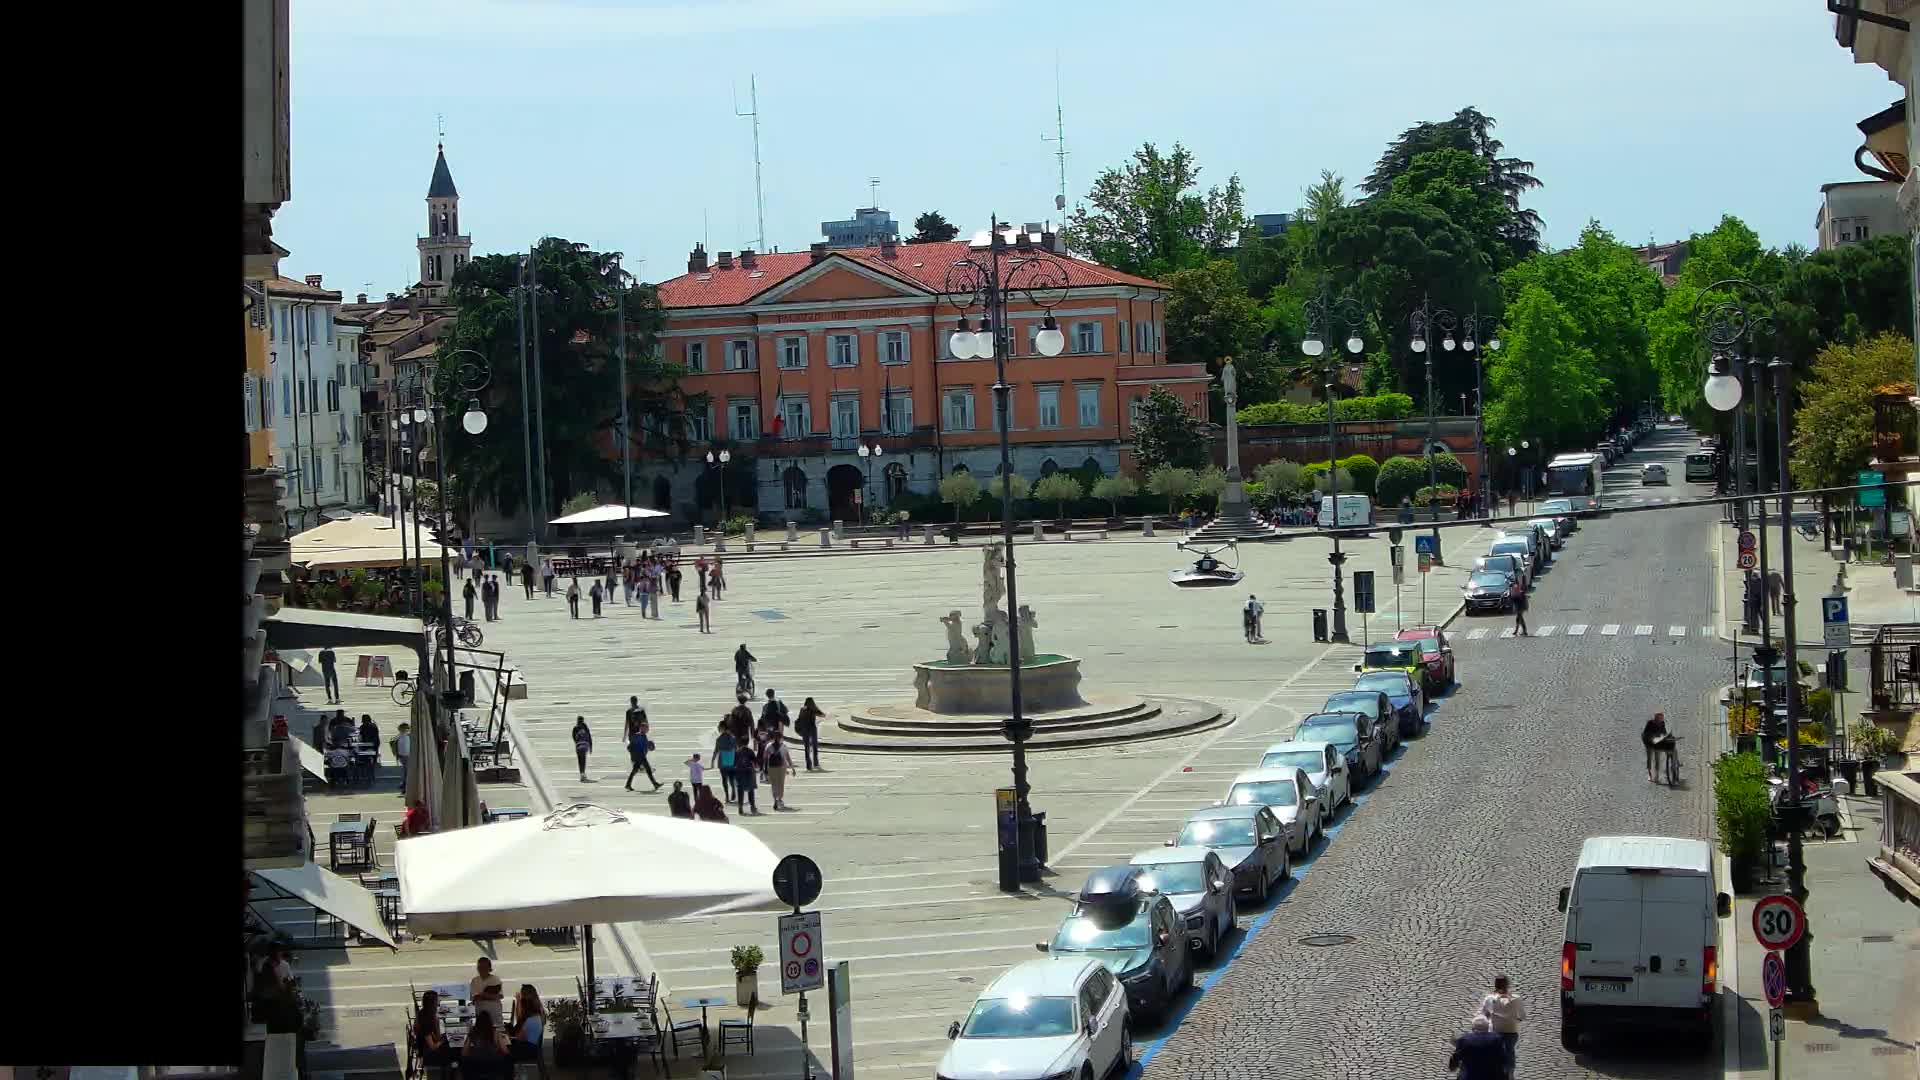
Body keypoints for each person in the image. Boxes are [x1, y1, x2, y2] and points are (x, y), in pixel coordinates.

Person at [1479, 975, 1526, 1073]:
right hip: (1511, 1031)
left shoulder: (1489, 999)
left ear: (1495, 985)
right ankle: (1510, 1073)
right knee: (1509, 1051)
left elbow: (1483, 1015)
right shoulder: (1517, 999)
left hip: (1495, 1032)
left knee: (1493, 1053)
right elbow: (1522, 1016)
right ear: (1508, 985)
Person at [1447, 1015, 1508, 1080]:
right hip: (1493, 1076)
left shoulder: (1464, 1040)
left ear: (1473, 1028)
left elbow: (1455, 1061)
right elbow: (1503, 1059)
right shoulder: (1497, 1039)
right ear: (1487, 1028)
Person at [460, 1010, 512, 1080]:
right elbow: (505, 1051)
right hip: (493, 1063)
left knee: (463, 1060)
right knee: (508, 1058)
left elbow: (464, 1053)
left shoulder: (473, 1032)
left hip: (476, 1063)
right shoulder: (495, 1032)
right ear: (490, 1021)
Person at [414, 990, 457, 1070]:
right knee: (455, 1048)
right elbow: (432, 1047)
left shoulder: (423, 1013)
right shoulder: (426, 1021)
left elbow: (437, 1036)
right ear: (432, 1003)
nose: (439, 1001)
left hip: (428, 1047)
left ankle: (452, 1067)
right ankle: (452, 1068)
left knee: (452, 1042)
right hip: (429, 1054)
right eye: (437, 1000)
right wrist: (441, 1041)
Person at [507, 985, 545, 1062]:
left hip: (527, 1048)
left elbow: (520, 1035)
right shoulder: (537, 1012)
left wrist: (509, 1038)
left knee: (504, 1049)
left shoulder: (530, 1018)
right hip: (532, 1046)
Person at [625, 712, 661, 792]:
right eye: (645, 728)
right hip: (639, 756)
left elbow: (645, 746)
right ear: (642, 728)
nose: (647, 729)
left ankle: (628, 784)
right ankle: (655, 784)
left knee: (635, 771)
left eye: (647, 728)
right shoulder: (638, 736)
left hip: (641, 756)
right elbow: (630, 747)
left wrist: (649, 746)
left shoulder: (643, 736)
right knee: (647, 770)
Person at [469, 957, 505, 1026]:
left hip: (495, 1015)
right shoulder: (474, 981)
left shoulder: (495, 979)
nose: (481, 969)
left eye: (484, 967)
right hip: (480, 1014)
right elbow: (474, 998)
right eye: (480, 967)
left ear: (489, 968)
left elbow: (500, 996)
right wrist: (488, 996)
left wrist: (482, 995)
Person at [794, 697, 823, 771]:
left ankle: (808, 766)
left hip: (804, 730)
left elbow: (799, 718)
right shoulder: (813, 709)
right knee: (814, 747)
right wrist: (816, 708)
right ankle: (816, 763)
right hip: (812, 729)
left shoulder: (802, 709)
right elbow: (822, 715)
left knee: (806, 748)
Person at [764, 731, 791, 811]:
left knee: (774, 784)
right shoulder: (784, 746)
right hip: (781, 767)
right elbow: (788, 758)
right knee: (780, 784)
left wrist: (764, 769)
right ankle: (779, 798)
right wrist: (792, 767)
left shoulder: (769, 746)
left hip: (771, 767)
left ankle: (775, 798)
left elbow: (765, 757)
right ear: (781, 738)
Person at [732, 742, 760, 814]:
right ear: (747, 743)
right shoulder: (750, 751)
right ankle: (752, 806)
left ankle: (740, 807)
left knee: (740, 790)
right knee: (751, 790)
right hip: (749, 772)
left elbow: (734, 763)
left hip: (740, 772)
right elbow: (755, 762)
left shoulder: (737, 751)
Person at [1642, 712, 1671, 782]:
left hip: (1658, 743)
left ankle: (1657, 775)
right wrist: (1652, 738)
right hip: (1649, 743)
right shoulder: (1650, 723)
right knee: (1649, 758)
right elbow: (1645, 733)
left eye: (1662, 717)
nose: (1661, 719)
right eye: (1660, 717)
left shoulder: (1662, 723)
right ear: (1656, 717)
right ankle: (1650, 774)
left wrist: (1666, 737)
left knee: (1657, 759)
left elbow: (1664, 732)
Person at [714, 725, 738, 801]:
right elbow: (736, 750)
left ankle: (727, 796)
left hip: (723, 761)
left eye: (719, 729)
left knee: (724, 779)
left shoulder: (719, 739)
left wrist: (712, 760)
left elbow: (716, 750)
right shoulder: (733, 738)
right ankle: (733, 790)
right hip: (731, 759)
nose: (718, 730)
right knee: (731, 778)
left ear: (722, 729)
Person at [571, 716, 593, 782]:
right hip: (585, 746)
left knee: (580, 761)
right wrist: (591, 747)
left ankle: (581, 774)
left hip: (578, 746)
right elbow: (589, 737)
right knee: (583, 760)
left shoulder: (575, 728)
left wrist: (577, 744)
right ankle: (583, 774)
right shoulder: (585, 727)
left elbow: (574, 738)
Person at [396, 723, 412, 791]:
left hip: (404, 755)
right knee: (406, 771)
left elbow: (402, 747)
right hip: (405, 755)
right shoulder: (404, 736)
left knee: (405, 771)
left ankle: (405, 784)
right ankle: (405, 784)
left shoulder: (402, 736)